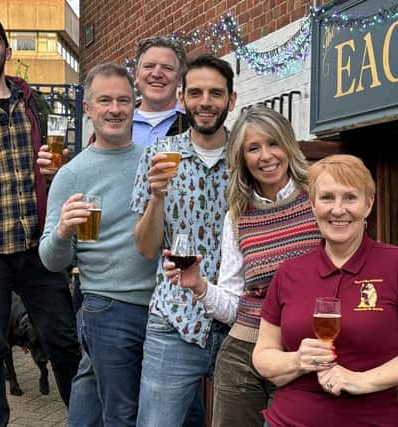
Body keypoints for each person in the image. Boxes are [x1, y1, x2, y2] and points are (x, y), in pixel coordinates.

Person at [0, 13, 80, 426]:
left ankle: (82, 417)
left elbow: (61, 167)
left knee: (62, 341)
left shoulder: (34, 104)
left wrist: (59, 172)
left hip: (39, 246)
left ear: (7, 51)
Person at [253, 155, 398, 427]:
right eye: (327, 197)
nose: (338, 210)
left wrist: (360, 380)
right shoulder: (289, 272)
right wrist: (298, 360)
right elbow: (263, 355)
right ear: (312, 204)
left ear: (369, 204)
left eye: (350, 198)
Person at [164, 105, 321, 426]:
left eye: (272, 143)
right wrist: (198, 285)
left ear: (288, 146)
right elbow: (235, 305)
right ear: (242, 159)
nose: (266, 156)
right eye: (253, 148)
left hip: (302, 356)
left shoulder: (318, 200)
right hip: (242, 355)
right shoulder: (237, 216)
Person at [39, 63, 157, 426]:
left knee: (90, 395)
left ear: (134, 106)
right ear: (88, 109)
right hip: (108, 306)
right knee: (122, 414)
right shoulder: (72, 173)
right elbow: (51, 260)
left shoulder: (152, 163)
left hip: (157, 307)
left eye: (123, 100)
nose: (115, 109)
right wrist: (61, 232)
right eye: (104, 100)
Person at [130, 54, 236, 427]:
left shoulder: (249, 156)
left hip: (240, 322)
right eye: (196, 92)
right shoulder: (159, 155)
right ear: (181, 98)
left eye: (216, 93)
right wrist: (157, 197)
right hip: (174, 318)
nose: (205, 101)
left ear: (231, 100)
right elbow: (145, 248)